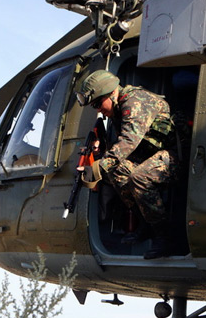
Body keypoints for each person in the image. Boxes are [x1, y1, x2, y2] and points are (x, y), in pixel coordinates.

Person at [76, 70, 181, 259]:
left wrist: (97, 168)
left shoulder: (134, 102)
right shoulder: (118, 109)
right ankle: (146, 224)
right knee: (117, 171)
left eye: (98, 104)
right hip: (152, 156)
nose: (98, 110)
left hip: (174, 156)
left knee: (139, 176)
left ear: (111, 94)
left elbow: (128, 141)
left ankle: (166, 237)